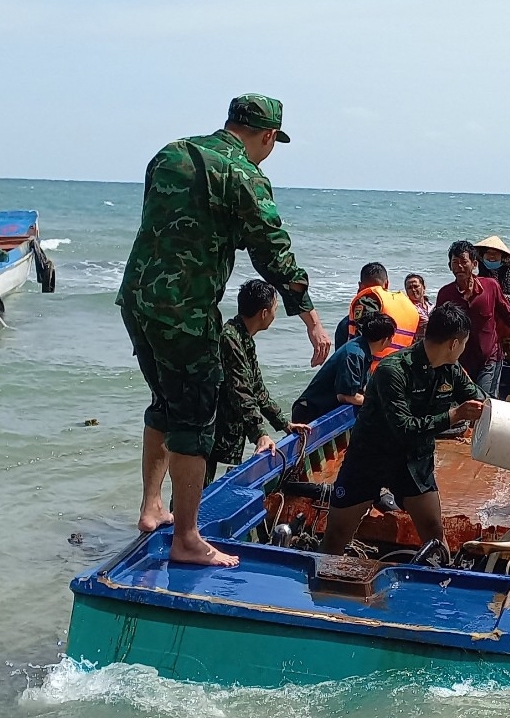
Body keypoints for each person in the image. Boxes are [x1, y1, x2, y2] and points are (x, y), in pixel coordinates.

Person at [116, 94, 330, 567]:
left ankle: (152, 508)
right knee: (196, 418)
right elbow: (274, 253)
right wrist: (311, 319)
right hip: (186, 310)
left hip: (137, 299)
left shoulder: (169, 153)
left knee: (163, 403)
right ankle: (187, 538)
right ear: (268, 135)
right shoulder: (245, 175)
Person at [322, 304, 486, 555]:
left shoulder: (451, 371)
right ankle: (322, 586)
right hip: (369, 459)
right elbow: (404, 428)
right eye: (464, 343)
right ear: (454, 344)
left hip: (413, 462)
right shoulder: (393, 370)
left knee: (433, 532)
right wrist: (455, 415)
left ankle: (438, 582)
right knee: (336, 536)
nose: (464, 349)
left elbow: (483, 401)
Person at [208, 280, 311, 485]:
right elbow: (241, 391)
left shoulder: (243, 336)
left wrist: (283, 423)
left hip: (220, 426)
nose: (275, 313)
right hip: (208, 425)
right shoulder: (229, 338)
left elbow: (257, 388)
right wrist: (260, 435)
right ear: (264, 313)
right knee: (196, 485)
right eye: (275, 308)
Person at [436, 241, 510, 396]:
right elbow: (438, 327)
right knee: (463, 401)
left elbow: (507, 312)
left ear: (474, 263)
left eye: (464, 262)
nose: (459, 267)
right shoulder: (445, 294)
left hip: (489, 357)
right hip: (460, 360)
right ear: (450, 266)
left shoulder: (491, 286)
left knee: (487, 402)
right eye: (455, 263)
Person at [291, 312, 398, 423]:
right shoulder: (354, 355)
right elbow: (346, 396)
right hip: (310, 412)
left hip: (322, 411)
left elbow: (363, 387)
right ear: (385, 339)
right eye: (391, 338)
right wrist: (375, 402)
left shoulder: (362, 349)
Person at [347, 262, 420, 369]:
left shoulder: (368, 298)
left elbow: (363, 341)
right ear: (387, 284)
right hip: (399, 372)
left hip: (372, 373)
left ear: (360, 285)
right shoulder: (410, 306)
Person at [475, 235, 510, 315]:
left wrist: (493, 295)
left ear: (502, 257)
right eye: (488, 253)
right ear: (482, 256)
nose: (492, 256)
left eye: (496, 253)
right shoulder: (481, 275)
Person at [404, 273, 433, 341]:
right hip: (417, 345)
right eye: (409, 288)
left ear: (423, 287)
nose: (413, 290)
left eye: (416, 286)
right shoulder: (407, 308)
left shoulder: (432, 306)